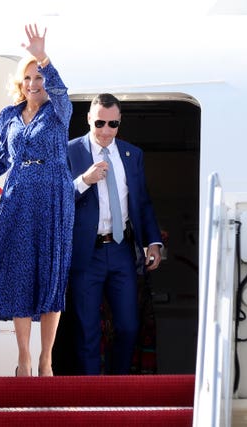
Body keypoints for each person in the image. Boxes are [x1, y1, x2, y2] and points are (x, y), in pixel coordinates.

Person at [0, 24, 74, 377]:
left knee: (50, 274)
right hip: (18, 196)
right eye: (28, 77)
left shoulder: (59, 112)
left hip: (53, 196)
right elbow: (0, 160)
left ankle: (46, 359)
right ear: (20, 83)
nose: (34, 83)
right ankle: (24, 357)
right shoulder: (8, 116)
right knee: (21, 273)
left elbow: (61, 90)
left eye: (39, 76)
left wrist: (43, 55)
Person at [67, 93, 162, 375]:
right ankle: (91, 396)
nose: (106, 130)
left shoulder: (133, 155)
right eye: (99, 123)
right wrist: (84, 180)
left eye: (113, 124)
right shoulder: (69, 151)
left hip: (121, 249)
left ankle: (117, 385)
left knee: (128, 326)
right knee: (87, 331)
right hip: (87, 252)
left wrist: (152, 242)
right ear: (88, 119)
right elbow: (55, 200)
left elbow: (142, 202)